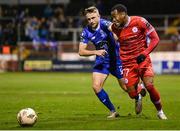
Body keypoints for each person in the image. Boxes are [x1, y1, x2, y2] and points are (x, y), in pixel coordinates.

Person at [78, 6, 144, 118]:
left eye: (93, 18)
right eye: (88, 19)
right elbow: (81, 51)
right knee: (96, 86)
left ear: (98, 16)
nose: (91, 21)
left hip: (116, 60)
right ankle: (113, 111)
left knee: (126, 88)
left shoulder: (105, 24)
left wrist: (115, 35)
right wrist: (96, 52)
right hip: (102, 61)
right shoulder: (86, 32)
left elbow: (114, 30)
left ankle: (137, 96)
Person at [110, 4, 167, 119]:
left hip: (143, 60)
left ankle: (160, 112)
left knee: (150, 86)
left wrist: (144, 53)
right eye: (112, 17)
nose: (114, 20)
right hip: (127, 64)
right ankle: (138, 96)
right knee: (131, 93)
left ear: (123, 14)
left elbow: (155, 38)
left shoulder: (139, 21)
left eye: (115, 17)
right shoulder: (115, 28)